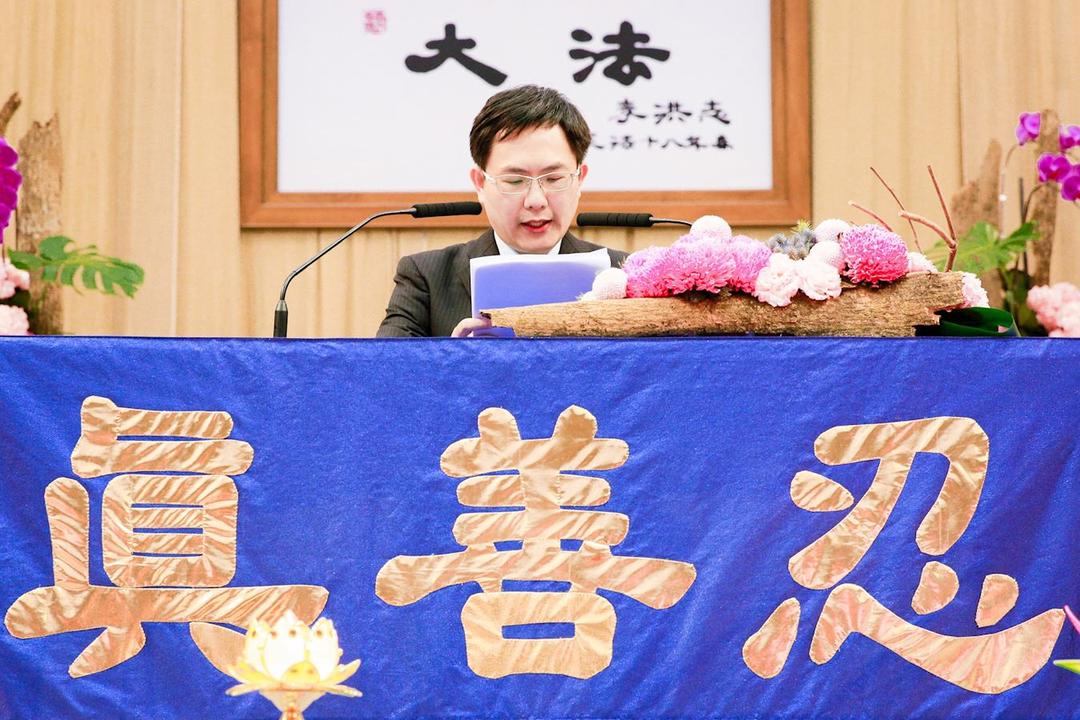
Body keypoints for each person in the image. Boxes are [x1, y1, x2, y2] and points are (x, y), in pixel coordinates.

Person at [376, 85, 626, 338]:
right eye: (515, 181)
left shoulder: (623, 274)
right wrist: (453, 355)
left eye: (553, 179)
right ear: (480, 184)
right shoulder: (427, 277)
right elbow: (386, 362)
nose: (536, 201)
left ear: (579, 179)